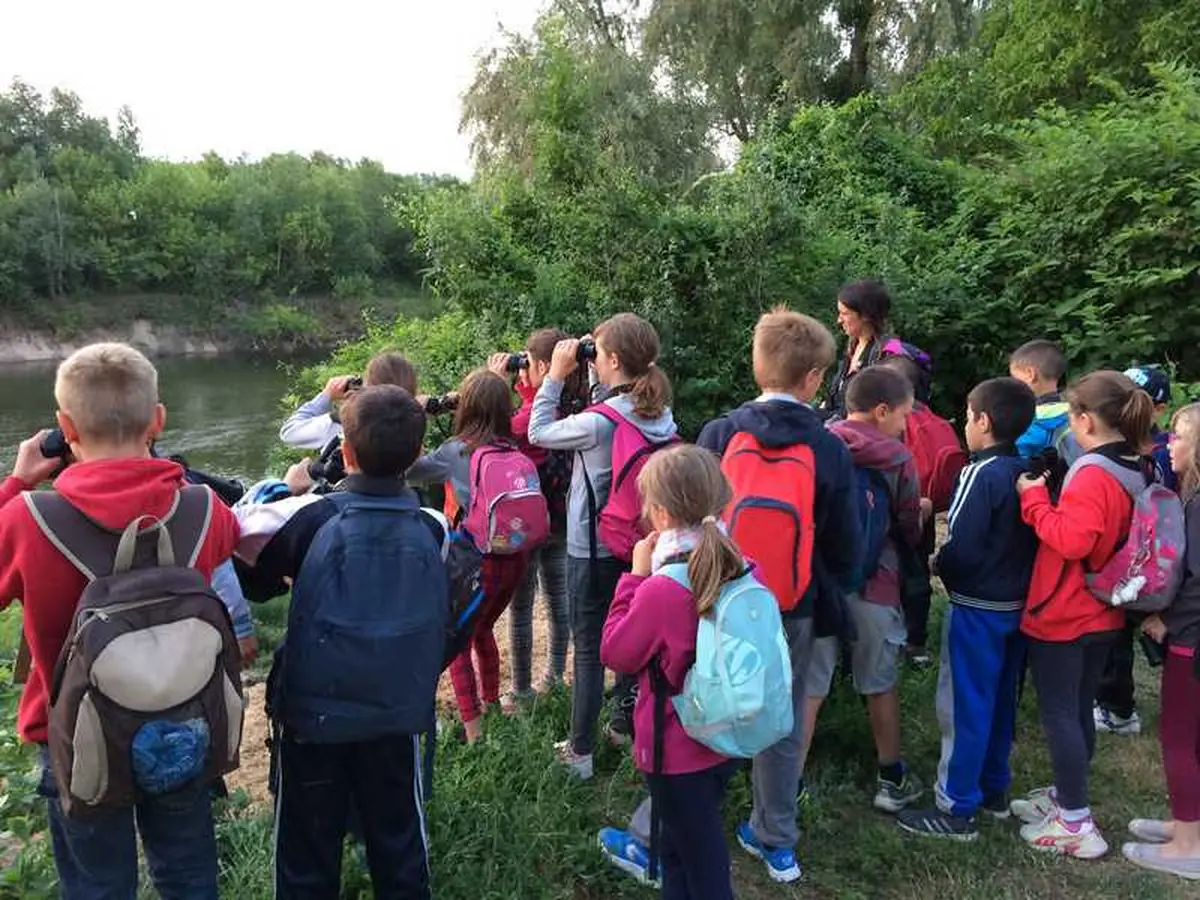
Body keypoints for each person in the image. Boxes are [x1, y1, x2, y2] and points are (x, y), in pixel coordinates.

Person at [0, 343, 240, 899]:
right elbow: (232, 543)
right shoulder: (204, 508)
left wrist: (16, 483)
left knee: (98, 886)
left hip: (76, 734)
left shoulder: (28, 520)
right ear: (158, 420)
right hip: (181, 719)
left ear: (64, 428)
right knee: (188, 875)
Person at [243, 385, 447, 899]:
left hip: (313, 717)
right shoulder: (433, 526)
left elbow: (241, 547)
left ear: (346, 452)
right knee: (400, 844)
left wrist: (294, 488)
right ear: (416, 455)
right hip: (396, 713)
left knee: (305, 853)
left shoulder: (309, 516)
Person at [696, 309, 860, 884]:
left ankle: (670, 825)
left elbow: (693, 523)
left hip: (721, 601)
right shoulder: (828, 447)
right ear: (813, 378)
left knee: (708, 708)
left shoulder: (720, 434)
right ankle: (776, 839)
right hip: (793, 606)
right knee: (782, 722)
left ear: (756, 365)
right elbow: (846, 544)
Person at [1011, 370, 1158, 859]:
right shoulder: (1136, 465)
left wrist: (1033, 500)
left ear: (1085, 420)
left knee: (1061, 714)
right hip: (1103, 609)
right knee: (1076, 709)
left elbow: (1073, 540)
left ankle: (1075, 820)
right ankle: (1065, 795)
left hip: (1066, 610)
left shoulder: (1093, 473)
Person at [528, 313, 678, 779]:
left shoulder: (597, 423)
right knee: (631, 636)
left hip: (590, 549)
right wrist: (595, 370)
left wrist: (554, 376)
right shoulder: (658, 411)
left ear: (611, 359)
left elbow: (537, 432)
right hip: (640, 547)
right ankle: (621, 726)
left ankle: (580, 752)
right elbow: (612, 404)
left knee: (591, 649)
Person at [598, 445, 744, 899]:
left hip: (677, 749)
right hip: (727, 735)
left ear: (660, 514)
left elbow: (616, 652)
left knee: (701, 858)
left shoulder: (662, 588)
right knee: (679, 849)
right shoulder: (738, 564)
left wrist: (634, 578)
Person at [897, 377, 1039, 840]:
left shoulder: (978, 474)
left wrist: (940, 565)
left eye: (966, 416)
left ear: (983, 421)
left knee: (964, 706)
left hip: (977, 608)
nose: (963, 424)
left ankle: (956, 806)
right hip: (1017, 605)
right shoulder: (1028, 470)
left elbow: (962, 543)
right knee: (1000, 700)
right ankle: (994, 790)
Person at [803, 367, 927, 814]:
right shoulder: (897, 457)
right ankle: (891, 778)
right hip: (876, 582)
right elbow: (909, 523)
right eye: (904, 415)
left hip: (821, 582)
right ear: (882, 411)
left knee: (810, 685)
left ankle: (788, 782)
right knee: (879, 680)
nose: (906, 425)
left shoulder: (819, 443)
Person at [408, 369, 531, 743]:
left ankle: (473, 729)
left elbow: (409, 470)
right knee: (483, 630)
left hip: (476, 560)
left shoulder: (456, 450)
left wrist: (419, 416)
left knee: (457, 639)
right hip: (514, 557)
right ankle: (491, 703)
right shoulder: (514, 445)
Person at [1124, 402, 1200, 880]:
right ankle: (1189, 822)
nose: (1170, 444)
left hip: (1193, 639)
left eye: (1180, 436)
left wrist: (1168, 620)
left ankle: (1188, 847)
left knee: (1179, 737)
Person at [486, 329, 580, 706]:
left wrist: (496, 383)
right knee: (559, 601)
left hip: (525, 529)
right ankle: (555, 677)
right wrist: (529, 387)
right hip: (561, 521)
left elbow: (497, 431)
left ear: (542, 366)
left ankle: (522, 689)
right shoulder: (573, 405)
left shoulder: (529, 418)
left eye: (526, 362)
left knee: (522, 607)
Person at [1092, 364, 1177, 738]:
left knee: (1139, 633)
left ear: (1157, 408)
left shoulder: (1164, 451)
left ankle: (1121, 709)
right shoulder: (1122, 450)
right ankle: (1117, 704)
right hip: (1125, 557)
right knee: (1119, 634)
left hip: (1151, 559)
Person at [877, 345, 966, 664]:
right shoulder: (936, 422)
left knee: (888, 577)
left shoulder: (890, 423)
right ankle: (916, 644)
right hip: (925, 516)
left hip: (892, 516)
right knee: (917, 579)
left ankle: (887, 640)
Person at [278, 350, 417, 450]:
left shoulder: (346, 422)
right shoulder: (413, 420)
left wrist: (326, 395)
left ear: (368, 385)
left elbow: (289, 432)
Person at [824, 279, 892, 420]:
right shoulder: (851, 349)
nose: (839, 320)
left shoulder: (884, 357)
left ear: (866, 315)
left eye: (845, 313)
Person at [1008, 340, 1069, 459]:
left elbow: (1019, 454)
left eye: (1015, 377)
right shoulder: (1074, 411)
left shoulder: (1031, 418)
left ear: (1030, 374)